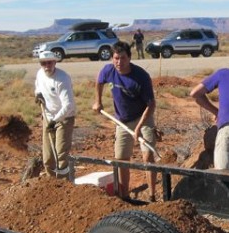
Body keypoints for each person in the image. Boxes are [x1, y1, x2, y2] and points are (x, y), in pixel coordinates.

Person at [92, 41, 157, 201]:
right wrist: (98, 101)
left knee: (147, 156)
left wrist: (139, 127)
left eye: (122, 58)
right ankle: (125, 196)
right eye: (116, 58)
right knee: (121, 159)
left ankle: (152, 196)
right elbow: (99, 81)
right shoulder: (108, 70)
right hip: (122, 120)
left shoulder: (141, 76)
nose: (119, 62)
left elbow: (151, 104)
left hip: (144, 117)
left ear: (129, 58)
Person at [34, 51, 76, 177]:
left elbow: (68, 105)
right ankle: (51, 184)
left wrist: (55, 120)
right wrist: (38, 95)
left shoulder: (62, 79)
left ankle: (64, 184)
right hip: (48, 117)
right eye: (43, 63)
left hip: (65, 118)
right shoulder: (40, 74)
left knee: (61, 155)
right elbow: (38, 88)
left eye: (49, 62)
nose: (47, 65)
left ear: (55, 62)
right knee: (48, 158)